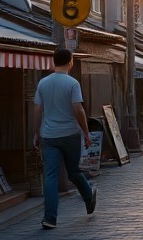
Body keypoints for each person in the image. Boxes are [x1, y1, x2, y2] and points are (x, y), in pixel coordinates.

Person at [32, 48, 96, 229]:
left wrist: (36, 133)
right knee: (74, 171)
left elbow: (37, 110)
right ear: (71, 61)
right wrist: (85, 132)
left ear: (53, 62)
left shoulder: (43, 83)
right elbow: (78, 109)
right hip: (70, 134)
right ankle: (89, 198)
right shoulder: (72, 83)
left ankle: (50, 218)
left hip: (49, 135)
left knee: (50, 175)